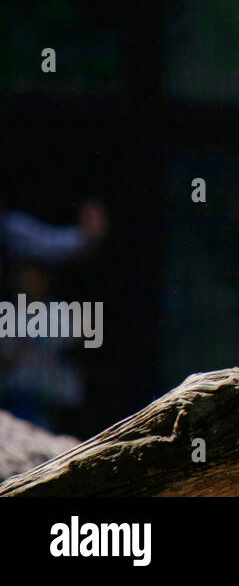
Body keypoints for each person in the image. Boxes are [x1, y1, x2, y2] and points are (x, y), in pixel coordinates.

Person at [0, 164, 109, 429]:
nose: (29, 281)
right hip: (15, 399)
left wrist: (86, 237)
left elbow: (87, 336)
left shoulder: (10, 228)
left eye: (35, 276)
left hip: (51, 404)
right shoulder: (8, 312)